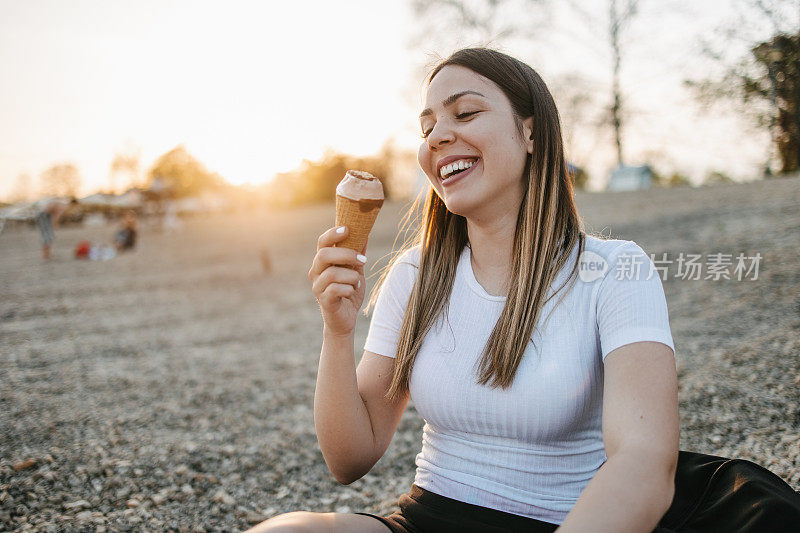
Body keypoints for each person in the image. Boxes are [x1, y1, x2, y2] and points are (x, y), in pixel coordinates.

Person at [251, 48, 800, 533]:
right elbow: (349, 458)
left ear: (531, 132)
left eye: (465, 113)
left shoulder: (613, 270)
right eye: (428, 126)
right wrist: (337, 330)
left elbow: (643, 465)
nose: (439, 134)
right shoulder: (414, 276)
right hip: (429, 518)